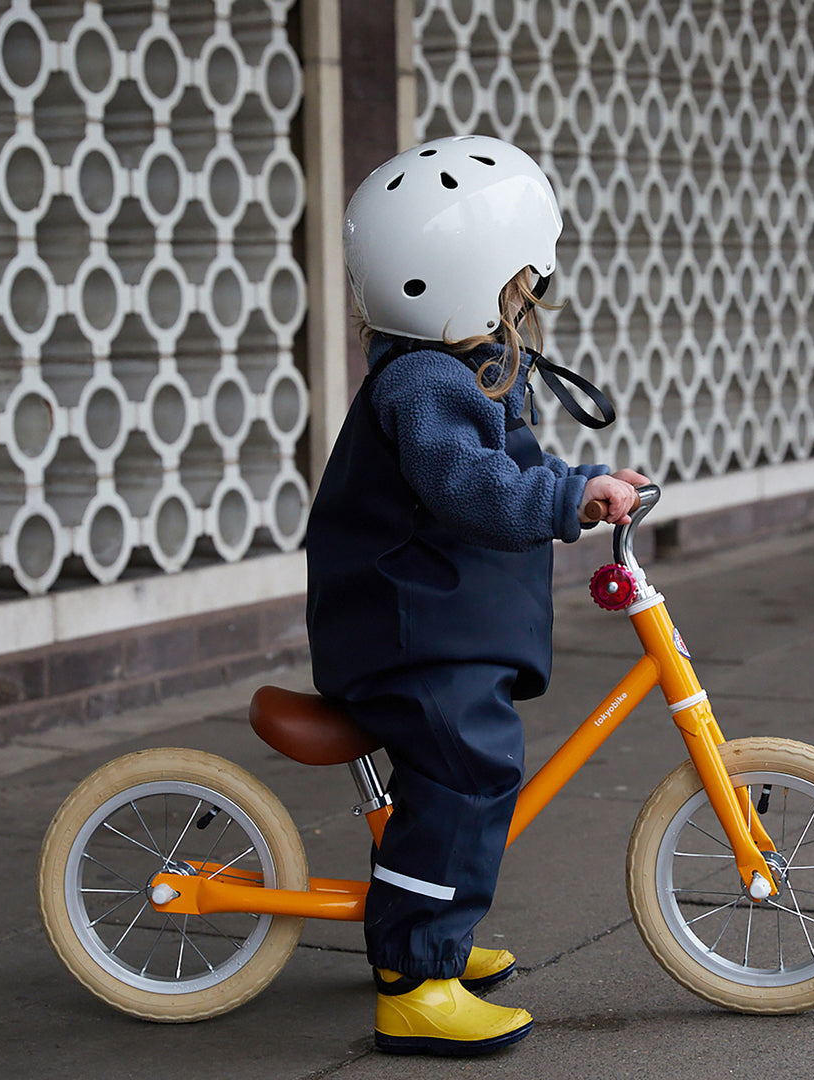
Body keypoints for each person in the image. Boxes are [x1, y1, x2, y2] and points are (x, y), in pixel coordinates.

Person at [305, 134, 648, 1056]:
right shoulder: (425, 384)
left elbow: (516, 463)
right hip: (407, 633)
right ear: (470, 282)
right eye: (520, 286)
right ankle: (417, 978)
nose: (528, 302)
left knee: (464, 767)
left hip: (429, 622)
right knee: (468, 770)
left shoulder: (461, 369)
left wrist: (581, 477)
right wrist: (570, 501)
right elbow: (475, 487)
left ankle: (424, 934)